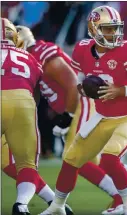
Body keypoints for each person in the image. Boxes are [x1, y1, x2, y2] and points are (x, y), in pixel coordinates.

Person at [15, 25, 127, 215]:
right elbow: (76, 82)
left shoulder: (42, 53)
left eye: (114, 29)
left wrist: (67, 116)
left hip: (88, 105)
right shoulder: (82, 49)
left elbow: (70, 82)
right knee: (80, 159)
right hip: (90, 105)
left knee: (90, 158)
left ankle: (124, 199)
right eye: (107, 29)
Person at [1, 17, 58, 215]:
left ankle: (52, 202)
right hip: (23, 102)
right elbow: (41, 92)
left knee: (8, 161)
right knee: (26, 165)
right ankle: (22, 205)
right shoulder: (30, 58)